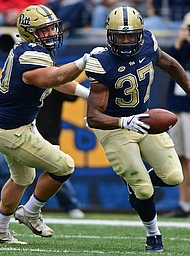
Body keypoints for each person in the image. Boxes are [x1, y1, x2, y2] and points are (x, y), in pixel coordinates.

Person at [85, 5, 190, 252]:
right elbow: (93, 117)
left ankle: (136, 183)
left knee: (174, 176)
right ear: (110, 35)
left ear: (141, 34)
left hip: (142, 118)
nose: (125, 41)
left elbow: (172, 65)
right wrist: (124, 122)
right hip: (113, 126)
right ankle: (153, 233)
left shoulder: (148, 44)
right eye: (120, 36)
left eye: (131, 35)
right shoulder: (101, 62)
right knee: (143, 190)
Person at [0, 4, 90, 244]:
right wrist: (83, 62)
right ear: (30, 32)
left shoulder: (31, 50)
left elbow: (54, 80)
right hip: (13, 130)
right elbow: (55, 77)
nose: (52, 34)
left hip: (9, 124)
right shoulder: (31, 55)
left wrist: (87, 95)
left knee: (22, 178)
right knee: (64, 165)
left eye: (52, 28)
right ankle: (30, 212)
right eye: (44, 30)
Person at [0, 93, 85, 219]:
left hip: (46, 135)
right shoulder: (26, 79)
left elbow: (71, 95)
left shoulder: (54, 78)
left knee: (59, 172)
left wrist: (59, 80)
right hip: (19, 136)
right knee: (8, 171)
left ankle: (71, 206)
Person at [163, 12, 190, 218]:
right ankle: (184, 203)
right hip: (178, 107)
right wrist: (180, 43)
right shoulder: (181, 47)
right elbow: (171, 66)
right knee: (180, 158)